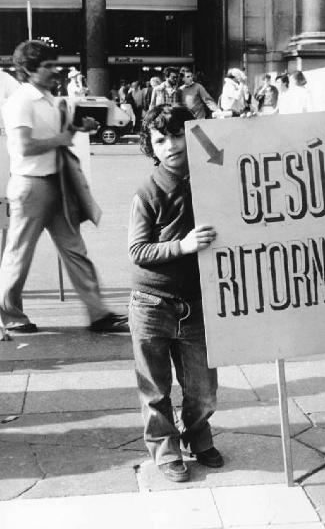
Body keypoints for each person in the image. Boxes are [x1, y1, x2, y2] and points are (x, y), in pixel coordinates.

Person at [0, 40, 128, 337]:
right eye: (47, 66)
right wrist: (61, 139)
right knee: (19, 255)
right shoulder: (20, 102)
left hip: (55, 182)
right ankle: (10, 315)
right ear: (29, 70)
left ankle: (98, 314)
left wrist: (79, 129)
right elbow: (24, 146)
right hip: (30, 185)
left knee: (75, 251)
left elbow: (60, 135)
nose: (54, 70)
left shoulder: (48, 99)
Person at [128, 104, 223, 483]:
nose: (170, 145)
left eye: (177, 134)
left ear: (193, 134)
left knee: (203, 389)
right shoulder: (148, 190)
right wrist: (180, 247)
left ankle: (197, 433)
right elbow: (138, 251)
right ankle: (165, 448)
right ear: (151, 147)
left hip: (198, 302)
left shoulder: (212, 176)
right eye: (160, 139)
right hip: (151, 302)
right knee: (154, 387)